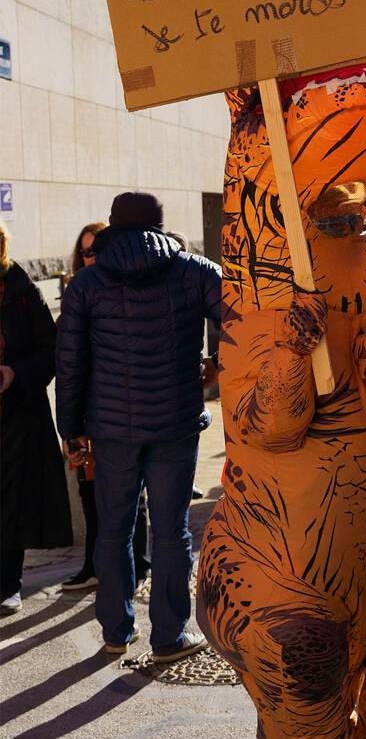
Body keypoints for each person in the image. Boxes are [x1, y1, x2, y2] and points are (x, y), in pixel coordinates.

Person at [55, 192, 221, 661]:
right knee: (172, 533)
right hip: (175, 422)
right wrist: (217, 363)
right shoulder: (196, 271)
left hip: (109, 427)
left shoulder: (87, 282)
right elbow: (243, 320)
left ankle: (115, 631)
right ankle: (169, 637)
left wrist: (71, 429)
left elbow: (68, 363)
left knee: (112, 529)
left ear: (113, 228)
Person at [59, 222, 150, 593]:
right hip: (87, 406)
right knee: (88, 487)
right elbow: (67, 360)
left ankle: (139, 564)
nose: (91, 256)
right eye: (85, 251)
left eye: (96, 249)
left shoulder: (125, 288)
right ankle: (93, 565)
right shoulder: (76, 292)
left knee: (130, 490)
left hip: (120, 408)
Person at [0, 221, 73, 615]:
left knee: (10, 500)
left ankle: (8, 584)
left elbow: (50, 352)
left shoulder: (23, 293)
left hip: (15, 416)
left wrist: (15, 373)